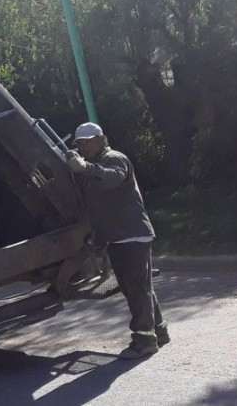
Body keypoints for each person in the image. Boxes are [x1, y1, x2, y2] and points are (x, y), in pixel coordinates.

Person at [66, 122, 169, 359]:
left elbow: (113, 179)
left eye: (88, 141)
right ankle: (158, 331)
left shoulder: (114, 158)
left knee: (136, 288)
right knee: (138, 287)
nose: (84, 147)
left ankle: (144, 341)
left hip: (131, 234)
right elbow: (98, 209)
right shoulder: (94, 167)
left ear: (103, 139)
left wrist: (86, 167)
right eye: (80, 144)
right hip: (120, 237)